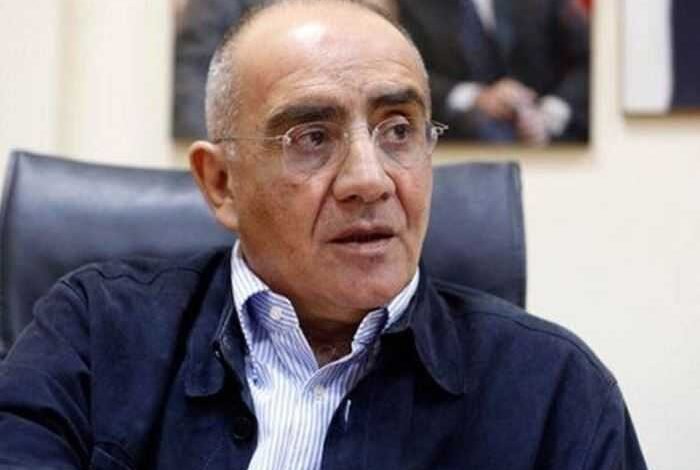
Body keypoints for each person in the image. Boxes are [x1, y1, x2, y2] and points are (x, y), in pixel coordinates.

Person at [0, 0, 646, 468]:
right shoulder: (93, 333)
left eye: (399, 130)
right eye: (311, 137)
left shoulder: (555, 390)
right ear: (221, 183)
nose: (370, 179)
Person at [397, 0, 590, 145]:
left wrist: (548, 116)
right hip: (462, 136)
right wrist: (476, 97)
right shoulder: (415, 5)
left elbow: (590, 61)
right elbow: (405, 74)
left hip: (553, 134)